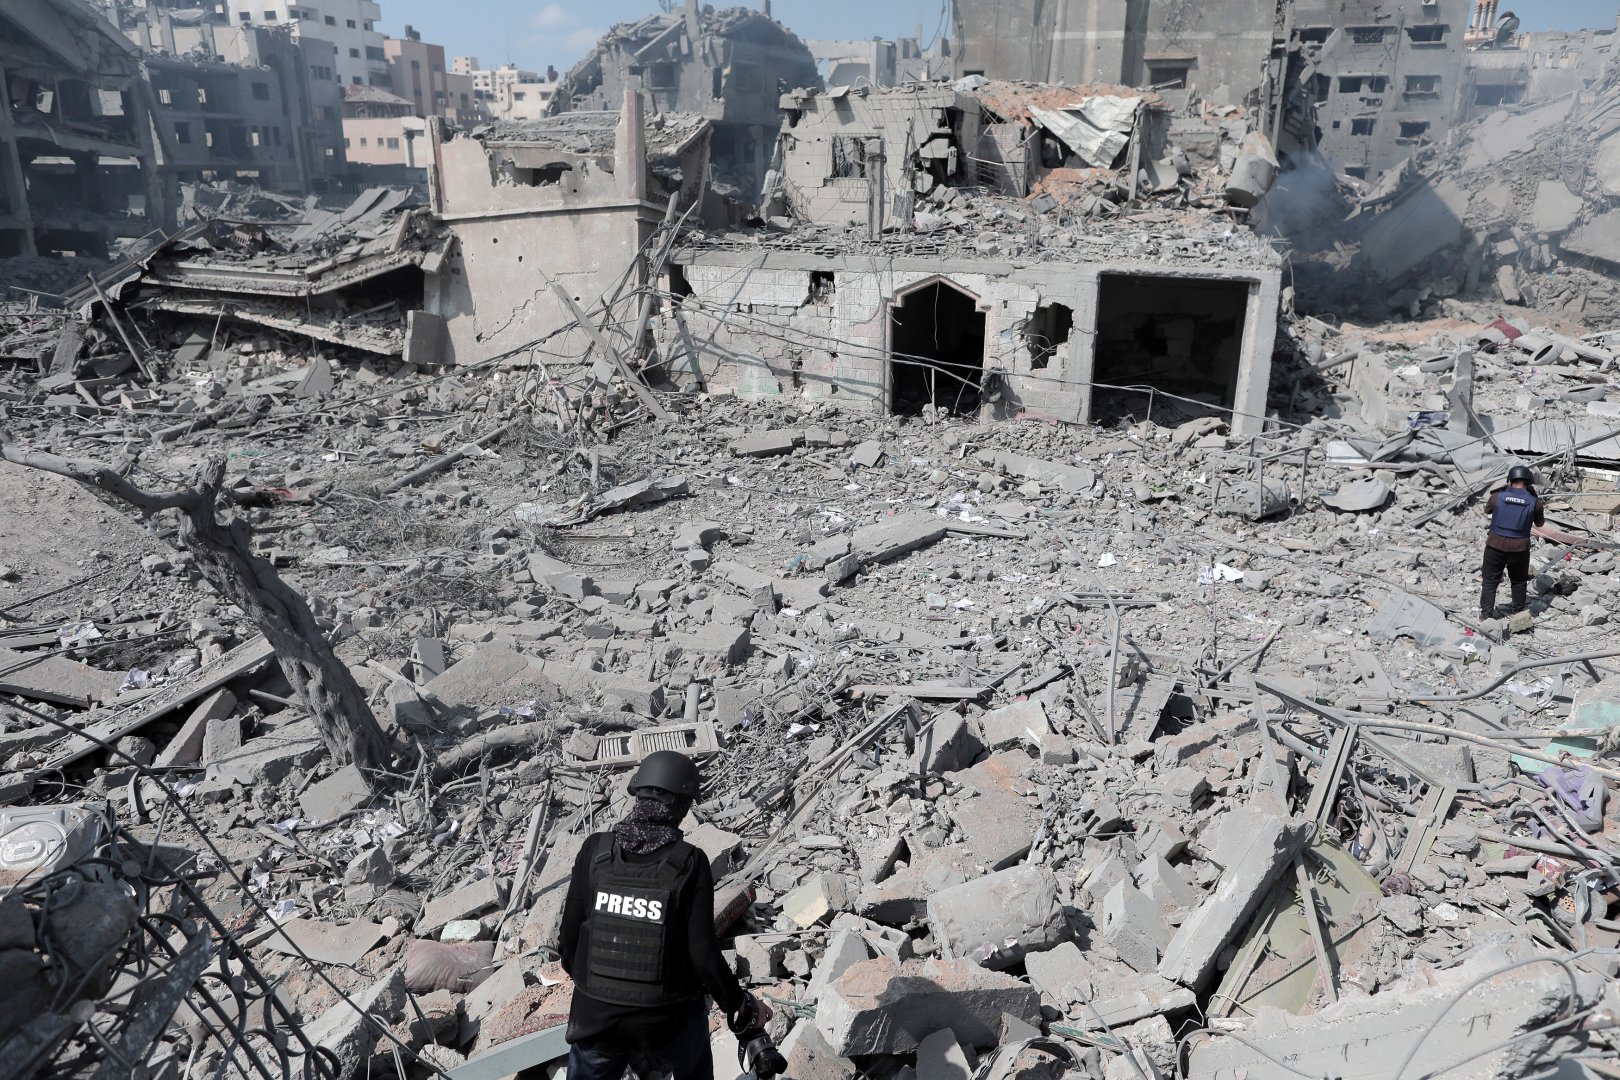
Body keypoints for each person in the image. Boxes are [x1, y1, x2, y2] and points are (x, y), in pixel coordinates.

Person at [559, 750, 771, 1080]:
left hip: (597, 1019)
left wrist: (599, 992)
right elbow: (703, 956)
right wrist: (737, 1003)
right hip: (667, 1019)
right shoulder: (689, 862)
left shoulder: (595, 851)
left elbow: (568, 940)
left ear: (637, 795)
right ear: (682, 807)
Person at [1480, 464, 1543, 622]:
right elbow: (1540, 524)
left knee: (1489, 581)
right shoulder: (1534, 502)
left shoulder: (1497, 497)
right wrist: (1532, 496)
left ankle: (1485, 616)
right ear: (1528, 482)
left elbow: (1487, 510)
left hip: (1495, 545)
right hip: (1520, 548)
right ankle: (1518, 616)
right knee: (1518, 582)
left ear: (1510, 480)